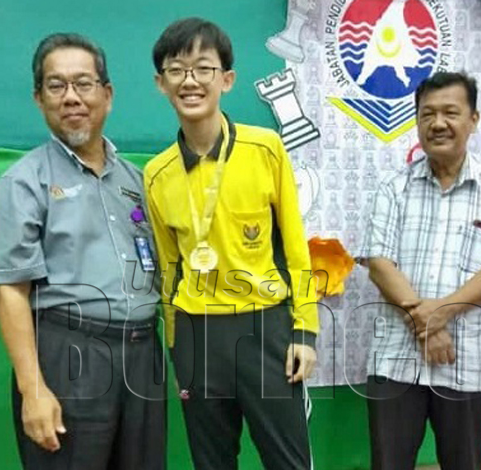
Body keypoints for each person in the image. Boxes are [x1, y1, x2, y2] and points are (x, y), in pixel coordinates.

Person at [145, 17, 318, 470]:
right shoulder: (157, 174)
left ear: (227, 78)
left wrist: (304, 331)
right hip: (196, 338)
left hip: (266, 330)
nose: (190, 81)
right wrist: (176, 344)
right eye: (176, 70)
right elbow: (168, 267)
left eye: (203, 68)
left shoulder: (266, 148)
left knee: (289, 460)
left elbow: (295, 248)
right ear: (160, 83)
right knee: (211, 461)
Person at [0, 33, 165, 470]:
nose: (71, 97)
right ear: (39, 97)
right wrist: (33, 390)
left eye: (83, 84)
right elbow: (11, 291)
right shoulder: (23, 182)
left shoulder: (137, 180)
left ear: (107, 94)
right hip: (69, 357)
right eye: (56, 85)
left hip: (144, 358)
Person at [362, 71, 481, 470]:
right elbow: (378, 262)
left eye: (450, 112)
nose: (438, 123)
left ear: (473, 119)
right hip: (395, 360)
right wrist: (429, 325)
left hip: (468, 363)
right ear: (417, 120)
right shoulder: (393, 186)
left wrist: (440, 314)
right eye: (427, 114)